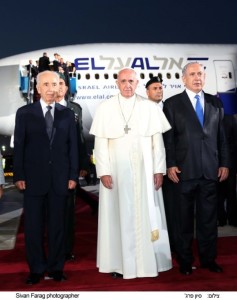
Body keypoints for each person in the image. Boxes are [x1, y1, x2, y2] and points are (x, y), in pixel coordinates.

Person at [90, 68, 172, 279]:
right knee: (118, 217)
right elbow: (100, 144)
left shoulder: (149, 107)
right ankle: (119, 264)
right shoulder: (106, 107)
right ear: (117, 83)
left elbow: (157, 142)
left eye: (132, 81)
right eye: (123, 81)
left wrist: (159, 169)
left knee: (147, 214)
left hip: (146, 173)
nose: (128, 85)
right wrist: (104, 171)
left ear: (137, 84)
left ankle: (148, 264)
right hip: (117, 173)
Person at [163, 62, 229, 275]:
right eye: (192, 74)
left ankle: (209, 259)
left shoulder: (215, 103)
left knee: (208, 220)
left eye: (200, 73)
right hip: (182, 172)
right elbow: (169, 139)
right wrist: (170, 164)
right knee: (182, 220)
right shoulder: (172, 104)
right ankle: (184, 260)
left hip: (210, 172)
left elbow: (222, 138)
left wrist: (225, 163)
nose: (197, 77)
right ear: (183, 79)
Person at [13, 71, 78, 285]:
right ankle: (36, 269)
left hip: (60, 179)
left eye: (55, 84)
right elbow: (20, 146)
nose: (52, 88)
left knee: (58, 227)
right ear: (38, 88)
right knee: (33, 228)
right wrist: (19, 174)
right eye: (46, 84)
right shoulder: (24, 113)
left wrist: (72, 175)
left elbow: (73, 149)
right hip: (33, 180)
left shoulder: (67, 114)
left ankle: (56, 268)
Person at [55, 73, 92, 261]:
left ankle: (67, 249)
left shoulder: (75, 109)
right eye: (56, 84)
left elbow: (79, 138)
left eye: (62, 83)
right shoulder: (43, 108)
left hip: (69, 168)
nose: (59, 87)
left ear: (67, 87)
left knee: (69, 211)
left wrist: (83, 163)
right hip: (49, 168)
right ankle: (54, 247)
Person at [146, 76, 177, 254]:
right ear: (147, 92)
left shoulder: (169, 108)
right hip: (152, 167)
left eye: (160, 88)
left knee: (172, 208)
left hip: (170, 166)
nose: (159, 91)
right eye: (155, 88)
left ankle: (171, 244)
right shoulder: (143, 109)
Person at [217, 114, 237, 226]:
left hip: (230, 163)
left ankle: (229, 219)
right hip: (215, 163)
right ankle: (224, 219)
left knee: (229, 193)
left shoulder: (229, 119)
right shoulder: (230, 118)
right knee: (221, 193)